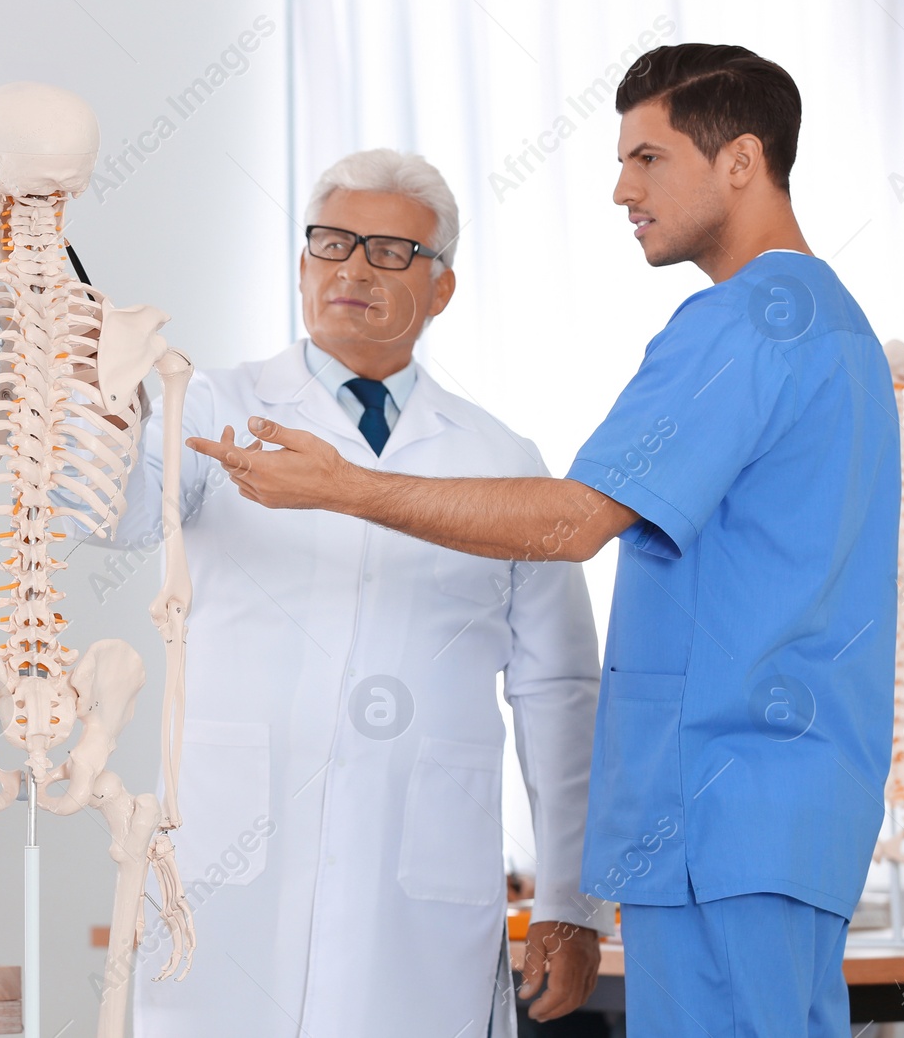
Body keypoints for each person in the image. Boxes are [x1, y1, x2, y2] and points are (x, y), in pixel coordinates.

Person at [192, 45, 898, 1036]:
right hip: (785, 816)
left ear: (740, 161)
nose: (621, 189)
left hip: (718, 816)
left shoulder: (742, 326)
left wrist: (343, 485)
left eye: (647, 158)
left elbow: (572, 521)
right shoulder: (837, 331)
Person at [109, 149, 610, 1037]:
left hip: (419, 888)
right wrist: (94, 402)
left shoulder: (501, 460)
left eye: (388, 252)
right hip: (231, 857)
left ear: (442, 288)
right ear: (302, 265)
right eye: (332, 244)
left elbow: (561, 691)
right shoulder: (211, 406)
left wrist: (571, 899)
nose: (352, 269)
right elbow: (116, 519)